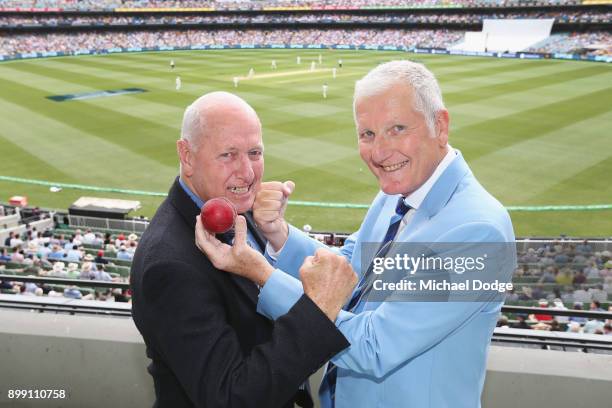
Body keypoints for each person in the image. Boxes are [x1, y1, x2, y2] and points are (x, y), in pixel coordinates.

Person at [200, 61, 517, 408]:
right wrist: (278, 234)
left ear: (439, 126)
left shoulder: (478, 231)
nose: (380, 153)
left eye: (397, 128)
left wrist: (262, 273)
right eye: (367, 134)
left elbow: (374, 348)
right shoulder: (397, 193)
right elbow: (348, 269)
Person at [131, 91, 356, 408]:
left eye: (255, 152)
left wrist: (276, 229)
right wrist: (317, 313)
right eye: (228, 155)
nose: (248, 173)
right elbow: (230, 398)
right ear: (187, 155)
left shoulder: (237, 211)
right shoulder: (168, 264)